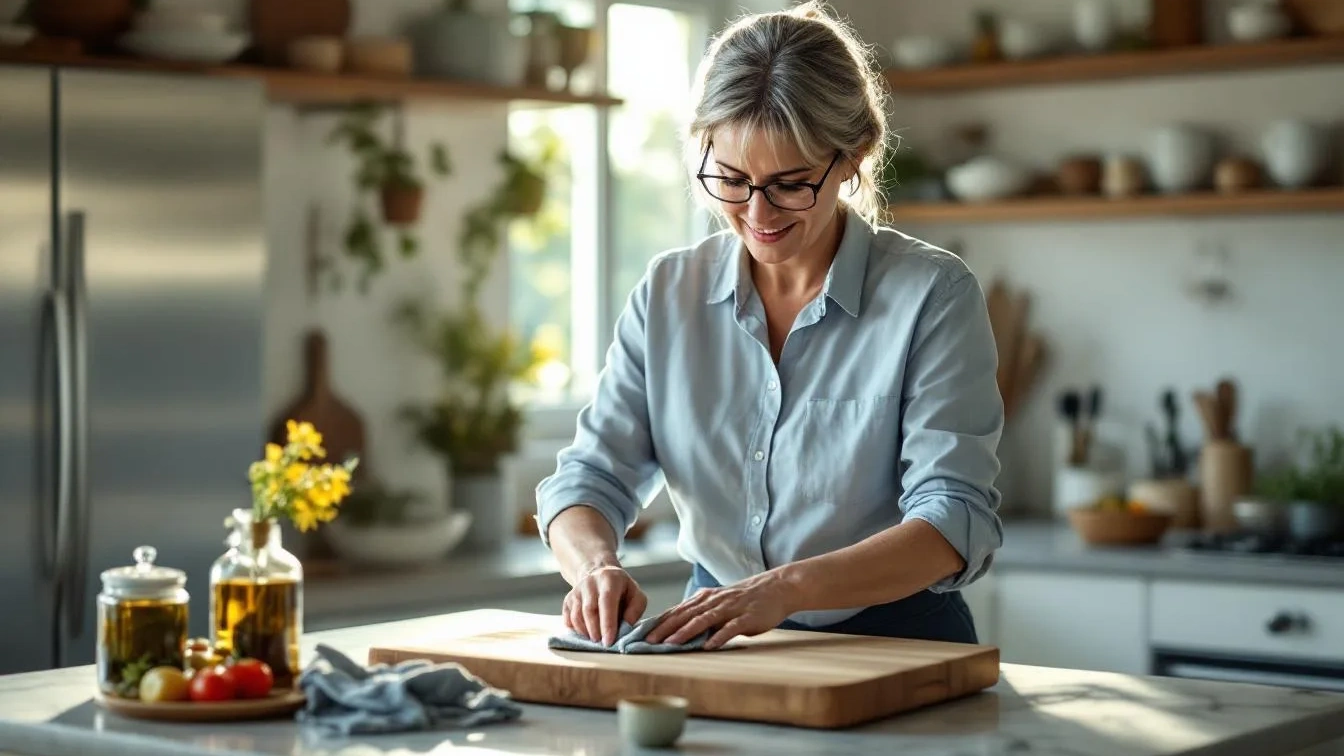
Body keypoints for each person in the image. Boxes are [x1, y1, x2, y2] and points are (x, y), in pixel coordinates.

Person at [534, 1, 1003, 651]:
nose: (757, 212)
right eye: (730, 179)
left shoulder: (932, 295)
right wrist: (595, 568)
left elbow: (954, 519)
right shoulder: (669, 293)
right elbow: (587, 481)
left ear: (852, 156)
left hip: (900, 641)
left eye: (789, 183)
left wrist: (785, 589)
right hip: (722, 644)